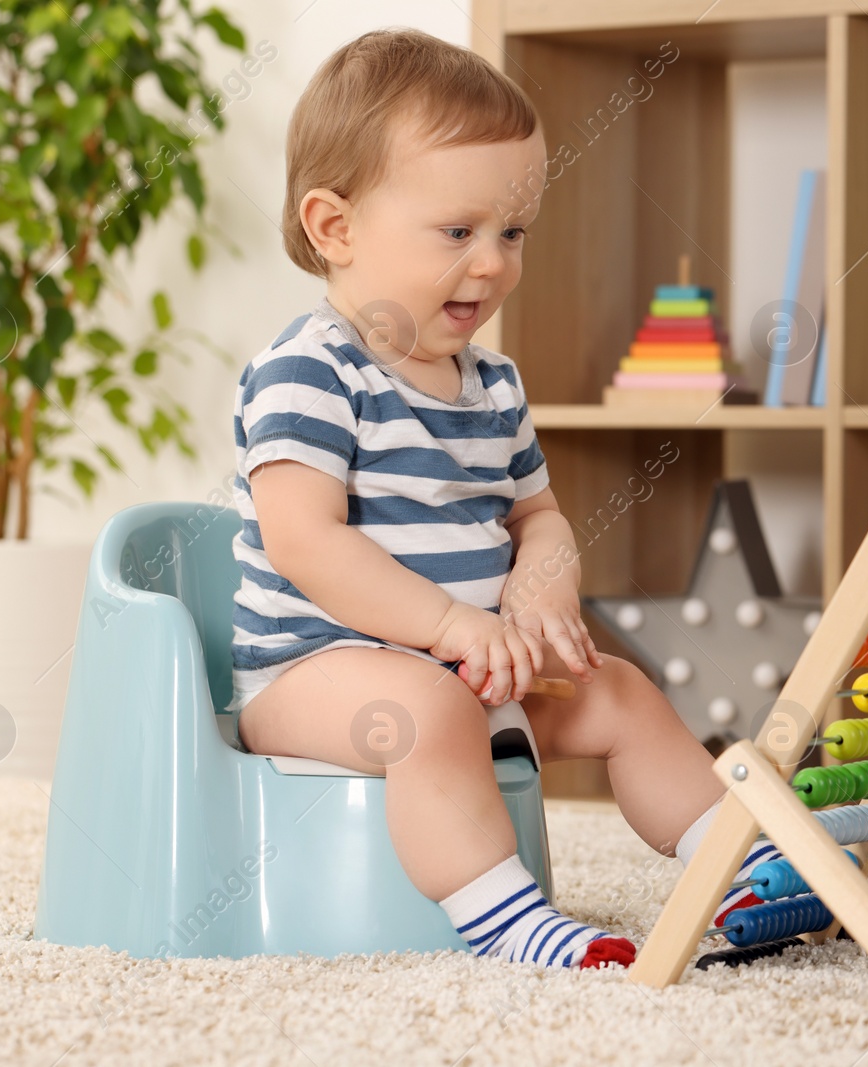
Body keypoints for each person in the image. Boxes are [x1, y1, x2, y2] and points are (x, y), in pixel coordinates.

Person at [229, 28, 776, 969]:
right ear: (335, 227)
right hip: (315, 674)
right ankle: (501, 917)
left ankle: (746, 869)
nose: (493, 264)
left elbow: (539, 513)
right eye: (459, 231)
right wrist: (448, 625)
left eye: (512, 232)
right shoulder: (309, 373)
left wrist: (541, 583)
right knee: (427, 711)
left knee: (621, 691)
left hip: (470, 664)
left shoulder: (492, 383)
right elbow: (304, 543)